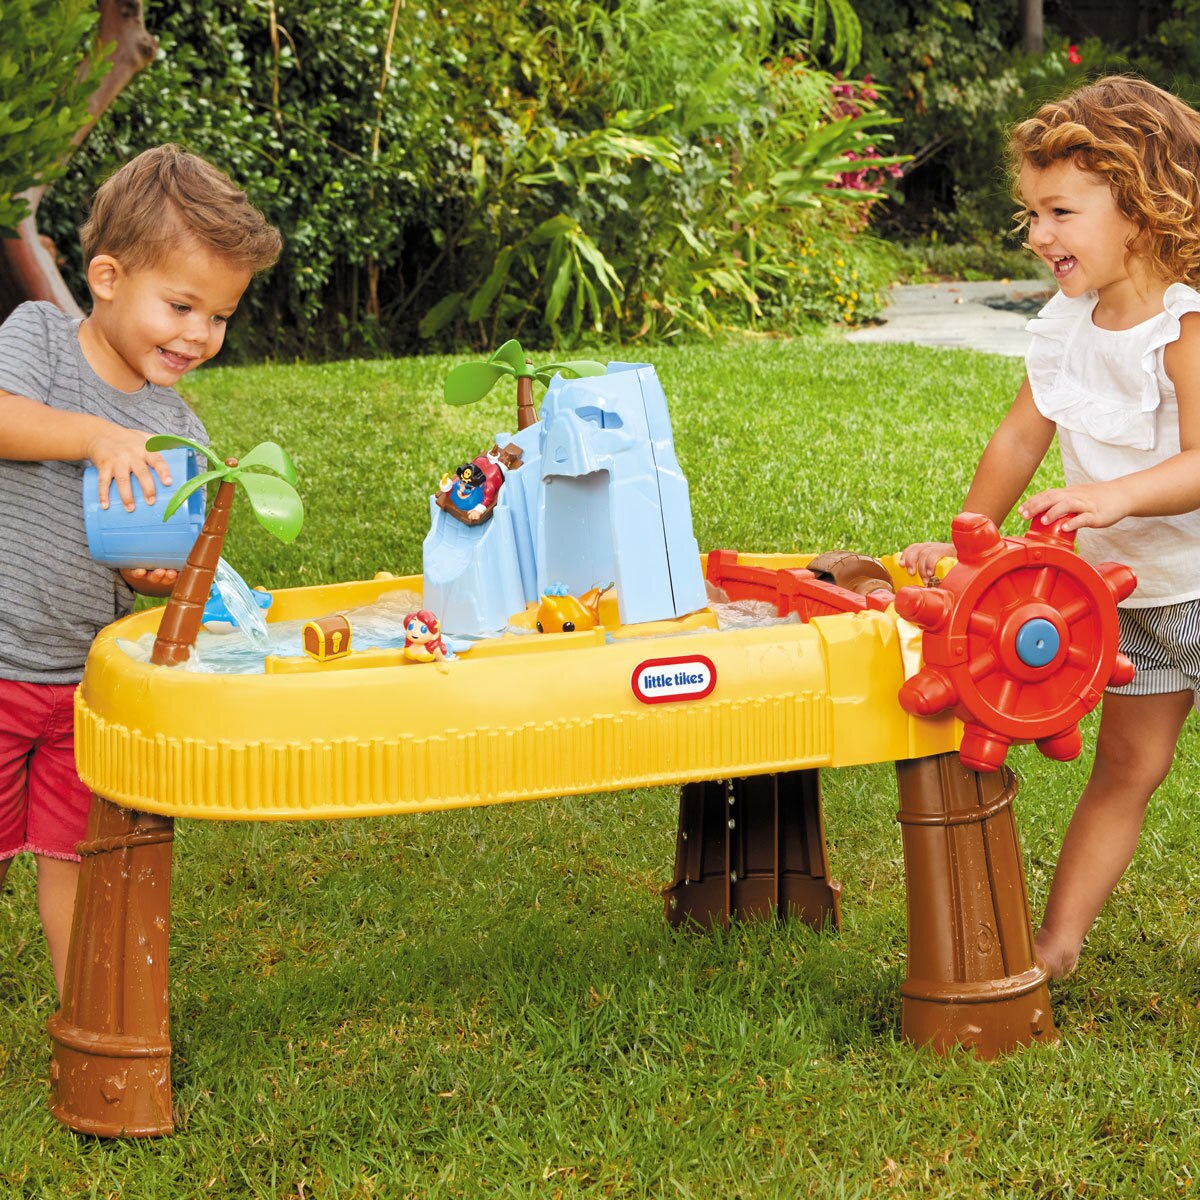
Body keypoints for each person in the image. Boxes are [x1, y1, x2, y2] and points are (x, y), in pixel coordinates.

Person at [900, 76, 1200, 979]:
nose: (1038, 236)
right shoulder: (1066, 325)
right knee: (1126, 772)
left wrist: (1117, 497)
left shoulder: (1183, 326)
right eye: (1032, 213)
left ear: (1140, 210)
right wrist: (969, 540)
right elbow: (1021, 435)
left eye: (1060, 212)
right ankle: (1057, 945)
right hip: (1135, 602)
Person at [0, 144, 281, 999]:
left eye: (220, 316)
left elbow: (144, 553)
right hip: (0, 668)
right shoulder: (40, 339)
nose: (200, 335)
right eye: (182, 304)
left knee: (75, 858)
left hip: (89, 686)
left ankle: (88, 1011)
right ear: (110, 276)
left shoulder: (175, 423)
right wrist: (93, 436)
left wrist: (156, 580)